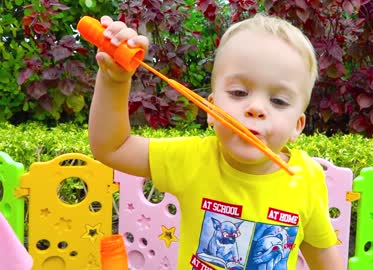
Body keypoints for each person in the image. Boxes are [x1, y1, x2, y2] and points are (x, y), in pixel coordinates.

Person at [89, 13, 343, 270]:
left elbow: (324, 259)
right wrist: (114, 80)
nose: (255, 108)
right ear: (211, 110)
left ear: (297, 126)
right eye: (239, 92)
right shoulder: (192, 159)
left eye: (278, 101)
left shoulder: (306, 179)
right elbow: (113, 148)